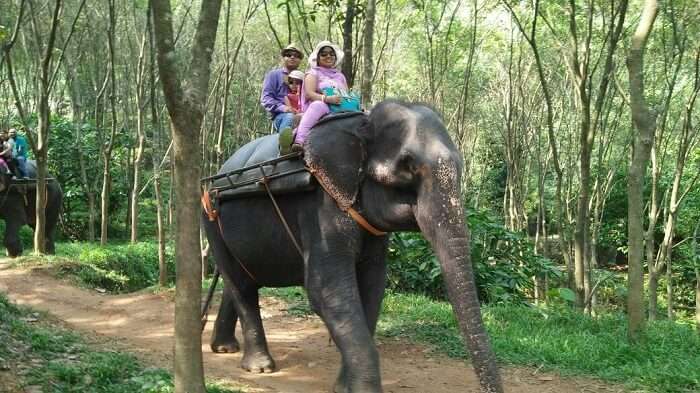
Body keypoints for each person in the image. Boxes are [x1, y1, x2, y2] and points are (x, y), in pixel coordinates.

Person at [293, 41, 346, 147]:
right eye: (324, 54)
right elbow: (309, 94)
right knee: (318, 105)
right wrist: (327, 99)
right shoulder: (313, 73)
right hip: (323, 106)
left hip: (341, 108)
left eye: (331, 54)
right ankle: (299, 140)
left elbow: (346, 94)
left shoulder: (340, 76)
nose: (328, 56)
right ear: (317, 58)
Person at [260, 44, 304, 132]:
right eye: (289, 55)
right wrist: (284, 108)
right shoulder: (273, 75)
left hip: (301, 114)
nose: (292, 57)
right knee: (289, 117)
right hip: (282, 116)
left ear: (300, 60)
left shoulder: (304, 78)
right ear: (283, 58)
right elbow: (266, 99)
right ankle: (284, 143)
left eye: (296, 56)